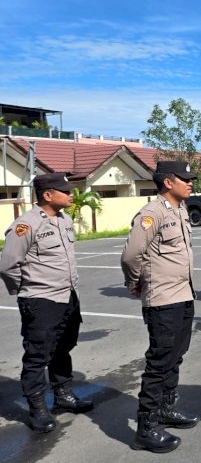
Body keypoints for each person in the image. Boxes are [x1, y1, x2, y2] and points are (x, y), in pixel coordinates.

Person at [0, 173, 93, 433]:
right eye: (64, 191)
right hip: (41, 300)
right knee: (37, 356)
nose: (71, 194)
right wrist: (28, 291)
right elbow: (8, 265)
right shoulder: (26, 225)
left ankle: (63, 396)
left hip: (67, 296)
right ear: (47, 195)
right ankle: (37, 408)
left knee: (63, 348)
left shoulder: (64, 220)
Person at [121, 161, 200, 453]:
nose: (191, 183)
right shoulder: (151, 213)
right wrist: (135, 282)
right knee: (159, 363)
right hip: (163, 300)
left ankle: (166, 409)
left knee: (176, 357)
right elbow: (131, 255)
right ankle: (146, 427)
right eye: (185, 179)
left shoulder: (179, 210)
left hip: (183, 294)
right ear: (168, 182)